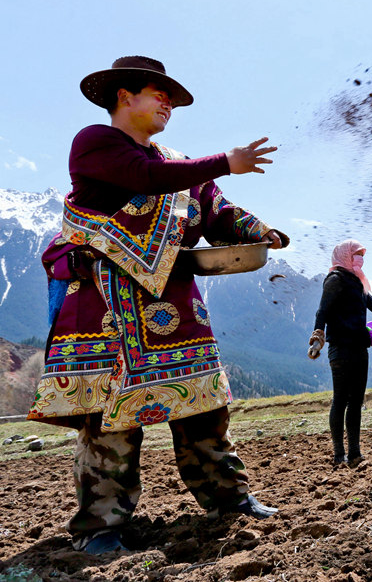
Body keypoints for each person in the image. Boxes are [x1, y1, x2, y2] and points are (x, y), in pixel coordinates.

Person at [26, 56, 287, 554]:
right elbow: (143, 177)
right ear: (124, 96)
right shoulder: (95, 144)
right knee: (110, 420)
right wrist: (224, 160)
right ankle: (100, 526)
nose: (169, 102)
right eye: (158, 92)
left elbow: (216, 209)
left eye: (171, 97)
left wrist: (259, 232)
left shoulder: (178, 164)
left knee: (205, 408)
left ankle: (228, 498)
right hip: (105, 308)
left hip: (174, 306)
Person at [309, 240, 372, 467]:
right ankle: (339, 454)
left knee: (356, 401)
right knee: (340, 400)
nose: (361, 258)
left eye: (362, 255)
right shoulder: (335, 279)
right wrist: (317, 339)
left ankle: (355, 453)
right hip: (340, 348)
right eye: (357, 254)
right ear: (345, 256)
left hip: (360, 347)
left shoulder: (358, 281)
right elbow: (322, 311)